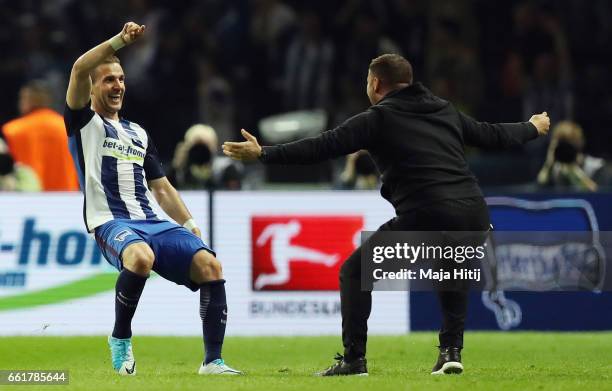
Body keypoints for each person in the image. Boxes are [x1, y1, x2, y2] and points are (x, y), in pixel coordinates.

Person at [223, 53, 550, 376]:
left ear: (376, 83)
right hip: (473, 213)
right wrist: (532, 127)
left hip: (426, 212)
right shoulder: (445, 110)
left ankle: (354, 359)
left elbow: (323, 146)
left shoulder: (378, 118)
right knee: (450, 275)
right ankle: (451, 352)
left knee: (355, 272)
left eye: (368, 81)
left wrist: (264, 153)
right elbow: (492, 135)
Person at [64, 22, 241, 376]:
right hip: (111, 222)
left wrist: (190, 227)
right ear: (93, 87)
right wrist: (120, 41)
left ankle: (213, 362)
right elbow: (79, 67)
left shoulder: (138, 133)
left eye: (121, 79)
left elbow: (161, 188)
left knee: (211, 266)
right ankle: (120, 338)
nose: (117, 86)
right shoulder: (83, 122)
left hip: (152, 222)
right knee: (140, 258)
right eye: (108, 80)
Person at [2, 80, 79, 191]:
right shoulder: (69, 128)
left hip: (26, 200)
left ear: (29, 100)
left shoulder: (12, 130)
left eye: (22, 98)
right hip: (66, 199)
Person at [537, 120, 601, 192]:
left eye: (568, 144)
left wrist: (573, 171)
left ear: (580, 143)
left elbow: (597, 195)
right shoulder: (554, 170)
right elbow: (539, 189)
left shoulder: (595, 167)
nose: (565, 151)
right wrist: (549, 163)